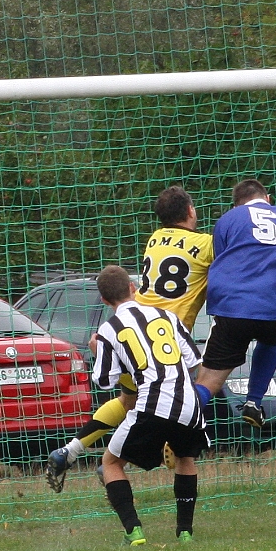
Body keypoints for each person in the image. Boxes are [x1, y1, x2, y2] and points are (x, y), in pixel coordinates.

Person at [45, 186, 214, 492]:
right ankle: (130, 457)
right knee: (193, 387)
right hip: (163, 340)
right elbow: (227, 262)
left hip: (131, 334)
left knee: (128, 400)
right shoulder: (205, 244)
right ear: (191, 211)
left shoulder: (154, 239)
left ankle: (69, 451)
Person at [91, 265, 209, 546]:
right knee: (185, 458)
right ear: (133, 287)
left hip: (152, 403)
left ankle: (134, 531)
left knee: (111, 463)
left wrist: (97, 351)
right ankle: (185, 532)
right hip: (189, 403)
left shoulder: (108, 329)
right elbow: (193, 360)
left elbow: (104, 381)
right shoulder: (167, 315)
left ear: (105, 300)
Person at [192, 179, 276, 426]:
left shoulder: (227, 220)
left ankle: (176, 420)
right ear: (267, 198)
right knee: (271, 338)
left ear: (237, 205)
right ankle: (253, 402)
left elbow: (223, 264)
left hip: (234, 310)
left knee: (208, 381)